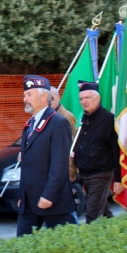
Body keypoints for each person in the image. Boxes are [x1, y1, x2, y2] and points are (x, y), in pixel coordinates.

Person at [16, 75, 75, 236]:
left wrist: (48, 195)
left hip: (52, 200)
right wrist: (22, 195)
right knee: (22, 247)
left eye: (29, 95)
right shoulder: (29, 125)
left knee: (66, 247)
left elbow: (59, 164)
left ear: (43, 97)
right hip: (29, 200)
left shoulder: (58, 122)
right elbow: (26, 165)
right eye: (24, 95)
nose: (24, 99)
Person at [72, 81, 123, 224]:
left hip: (101, 174)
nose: (84, 101)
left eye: (87, 97)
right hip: (85, 173)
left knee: (92, 215)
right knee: (104, 212)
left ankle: (92, 243)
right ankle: (116, 236)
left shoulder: (109, 120)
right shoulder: (84, 118)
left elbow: (116, 150)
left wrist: (118, 179)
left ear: (97, 98)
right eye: (81, 98)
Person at [50, 86, 79, 183]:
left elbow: (72, 144)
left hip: (62, 168)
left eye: (52, 98)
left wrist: (71, 171)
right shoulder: (46, 116)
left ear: (58, 97)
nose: (49, 101)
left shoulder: (67, 117)